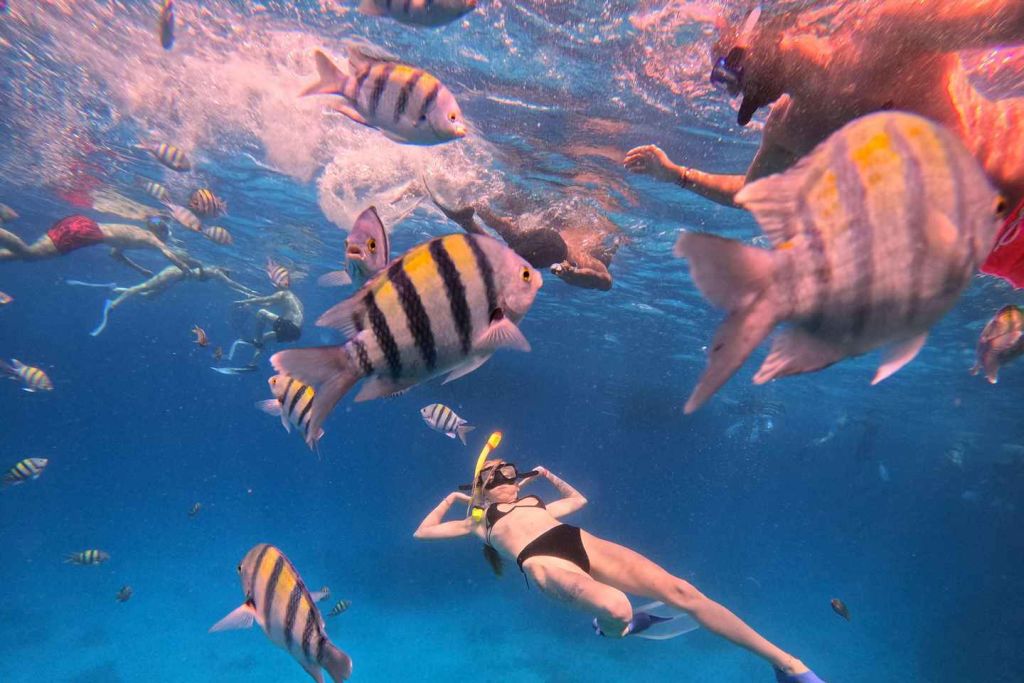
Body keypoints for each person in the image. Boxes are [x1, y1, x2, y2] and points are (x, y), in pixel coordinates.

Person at [624, 0, 1024, 283]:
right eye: (722, 78)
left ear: (763, 26)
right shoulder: (789, 129)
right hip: (999, 253)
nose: (732, 84)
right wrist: (678, 175)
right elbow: (751, 194)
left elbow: (1006, 19)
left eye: (728, 63)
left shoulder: (888, 29)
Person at [414, 459, 824, 683]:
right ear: (481, 485)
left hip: (579, 540)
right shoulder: (477, 523)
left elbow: (578, 500)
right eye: (496, 474)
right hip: (543, 563)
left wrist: (550, 476)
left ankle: (788, 665)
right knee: (618, 608)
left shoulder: (535, 501)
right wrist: (453, 498)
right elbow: (423, 531)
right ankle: (620, 629)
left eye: (510, 471)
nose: (506, 477)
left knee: (684, 593)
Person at [427, 185, 622, 291]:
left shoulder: (585, 255)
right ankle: (472, 217)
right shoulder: (585, 254)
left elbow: (604, 281)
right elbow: (604, 281)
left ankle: (478, 211)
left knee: (512, 238)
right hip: (550, 247)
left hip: (549, 246)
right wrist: (573, 274)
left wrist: (574, 274)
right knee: (511, 242)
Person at [73, 263, 259, 336]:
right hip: (174, 273)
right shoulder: (217, 272)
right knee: (143, 288)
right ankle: (112, 306)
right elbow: (231, 284)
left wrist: (247, 293)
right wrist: (250, 292)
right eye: (228, 274)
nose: (227, 276)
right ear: (225, 270)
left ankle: (114, 288)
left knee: (149, 296)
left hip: (176, 277)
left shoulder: (213, 271)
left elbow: (230, 284)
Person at [0, 214, 191, 273]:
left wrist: (140, 270)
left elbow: (114, 254)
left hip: (81, 223)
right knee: (30, 254)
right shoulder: (151, 238)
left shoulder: (136, 233)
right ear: (161, 233)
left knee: (26, 255)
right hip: (86, 233)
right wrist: (184, 267)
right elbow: (167, 252)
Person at [228, 289, 304, 367]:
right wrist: (253, 299)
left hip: (290, 326)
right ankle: (253, 364)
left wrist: (242, 302)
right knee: (265, 337)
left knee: (261, 313)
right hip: (296, 333)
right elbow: (266, 304)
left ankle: (257, 341)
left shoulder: (284, 293)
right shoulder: (294, 300)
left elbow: (265, 299)